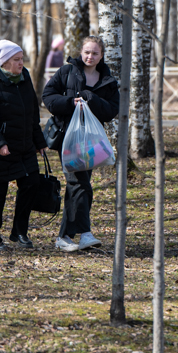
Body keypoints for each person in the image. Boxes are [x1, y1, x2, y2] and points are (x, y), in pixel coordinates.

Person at [41, 36, 120, 252]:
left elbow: (112, 110)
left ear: (101, 55)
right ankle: (85, 234)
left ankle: (64, 236)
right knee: (80, 184)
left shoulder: (107, 80)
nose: (90, 56)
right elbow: (48, 97)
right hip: (68, 138)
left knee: (78, 187)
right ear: (80, 52)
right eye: (86, 52)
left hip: (93, 142)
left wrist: (91, 98)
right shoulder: (67, 72)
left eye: (95, 53)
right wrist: (70, 101)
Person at [0, 39, 48, 252]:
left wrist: (39, 141)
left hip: (24, 145)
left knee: (31, 184)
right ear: (4, 62)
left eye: (21, 59)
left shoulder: (25, 78)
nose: (21, 63)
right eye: (16, 60)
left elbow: (32, 114)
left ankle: (19, 231)